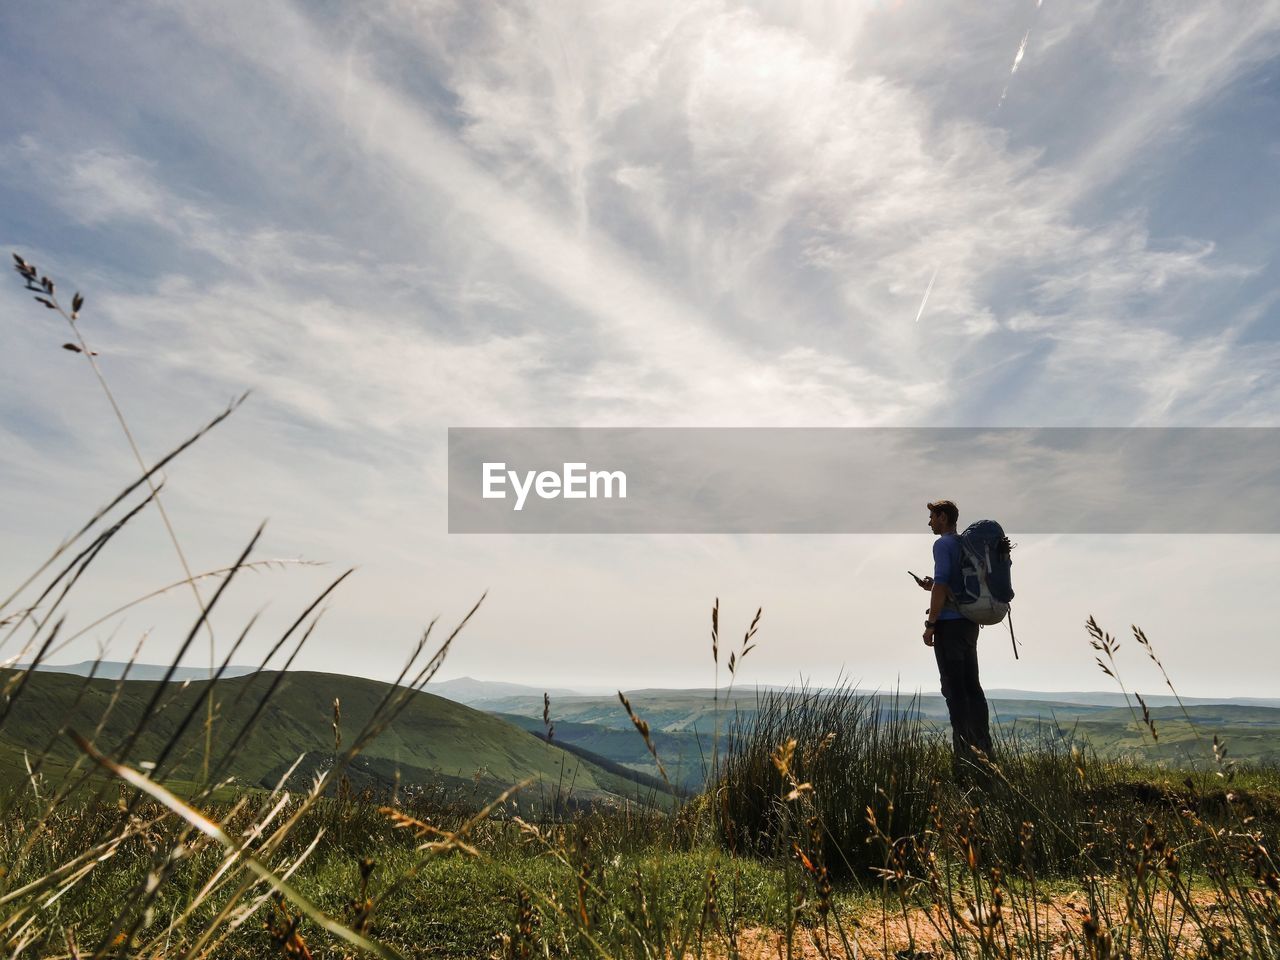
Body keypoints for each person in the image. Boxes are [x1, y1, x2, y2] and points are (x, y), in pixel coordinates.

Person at [917, 499, 993, 780]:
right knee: (973, 687)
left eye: (932, 517)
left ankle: (964, 763)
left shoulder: (943, 544)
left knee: (954, 692)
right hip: (970, 624)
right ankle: (985, 755)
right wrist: (933, 586)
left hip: (950, 626)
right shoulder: (964, 545)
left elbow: (942, 585)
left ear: (943, 517)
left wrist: (930, 624)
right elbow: (949, 585)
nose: (929, 522)